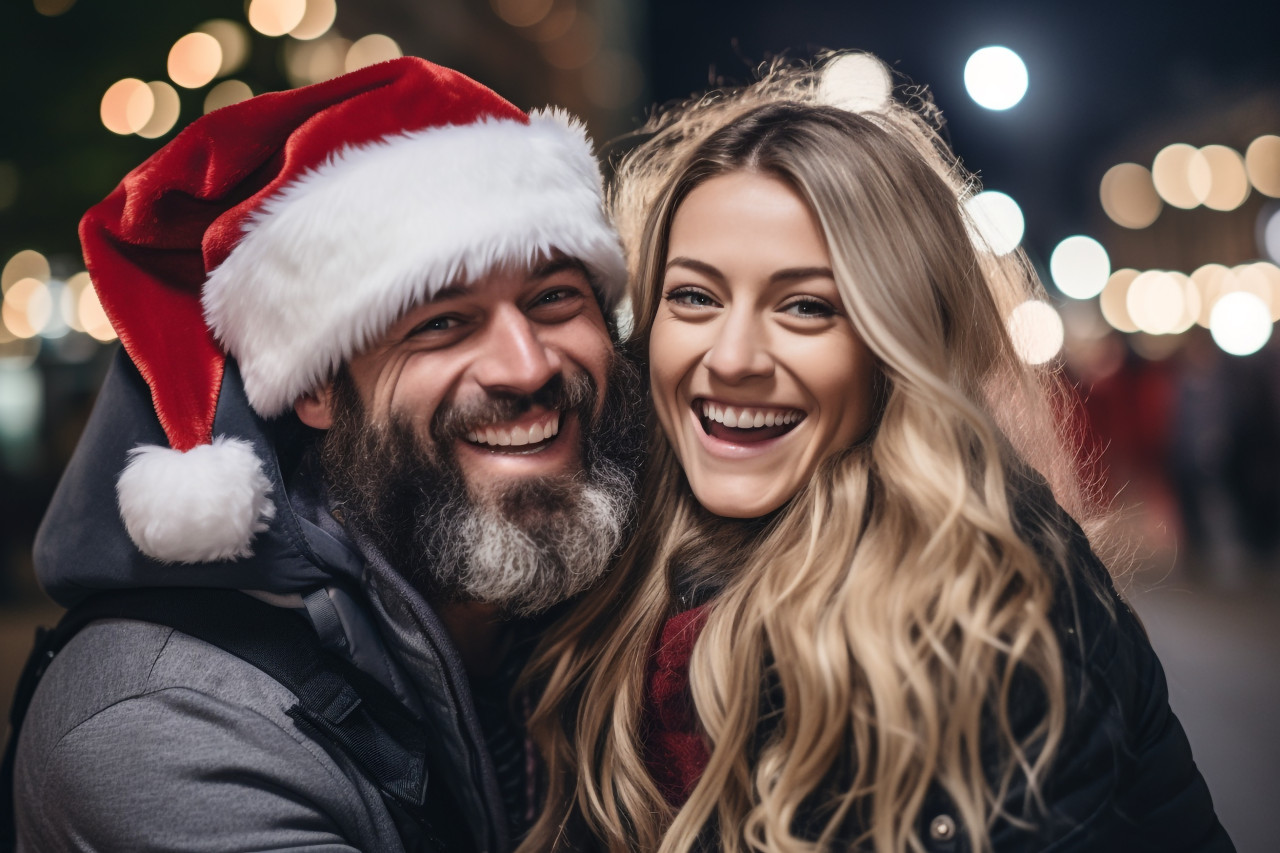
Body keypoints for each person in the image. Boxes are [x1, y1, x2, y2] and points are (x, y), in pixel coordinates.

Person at [518, 56, 1234, 852]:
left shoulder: (994, 613)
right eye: (695, 296)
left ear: (893, 349)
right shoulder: (603, 579)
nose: (733, 356)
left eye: (806, 306)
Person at [12, 57, 641, 852]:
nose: (528, 365)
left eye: (555, 298)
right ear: (315, 389)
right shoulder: (166, 718)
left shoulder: (588, 597)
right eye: (442, 323)